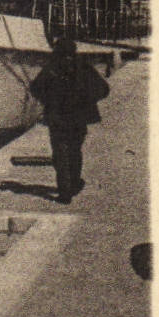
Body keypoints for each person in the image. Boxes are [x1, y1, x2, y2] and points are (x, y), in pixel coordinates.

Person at [28, 36, 109, 203]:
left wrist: (48, 100)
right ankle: (74, 183)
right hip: (79, 118)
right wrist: (88, 100)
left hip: (57, 117)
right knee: (74, 151)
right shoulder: (84, 67)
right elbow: (104, 89)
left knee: (60, 153)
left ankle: (65, 191)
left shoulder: (52, 68)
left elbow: (35, 88)